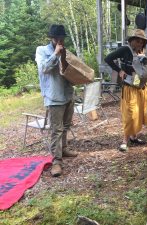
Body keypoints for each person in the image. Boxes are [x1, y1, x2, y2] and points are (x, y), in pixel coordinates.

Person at [35, 24, 78, 177]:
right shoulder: (42, 50)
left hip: (67, 94)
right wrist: (55, 54)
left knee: (66, 126)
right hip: (54, 97)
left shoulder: (65, 51)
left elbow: (70, 71)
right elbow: (44, 68)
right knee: (56, 130)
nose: (60, 40)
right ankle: (56, 162)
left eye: (62, 38)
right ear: (52, 38)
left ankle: (64, 149)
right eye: (57, 38)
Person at [104, 29, 147, 152]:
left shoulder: (141, 52)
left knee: (138, 113)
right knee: (129, 113)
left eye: (142, 42)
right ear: (132, 41)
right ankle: (125, 139)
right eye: (138, 41)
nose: (140, 43)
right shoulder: (125, 50)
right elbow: (108, 58)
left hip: (140, 86)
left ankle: (134, 136)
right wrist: (119, 70)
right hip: (129, 86)